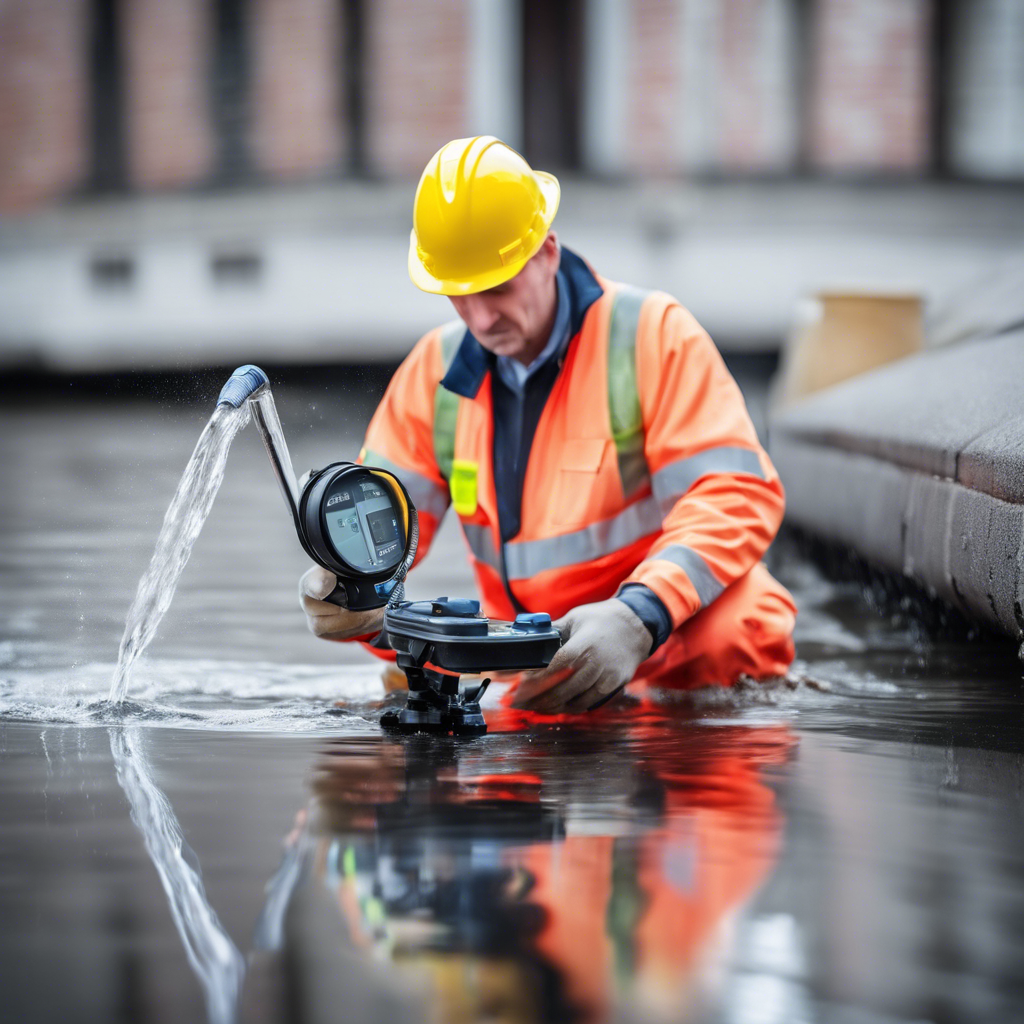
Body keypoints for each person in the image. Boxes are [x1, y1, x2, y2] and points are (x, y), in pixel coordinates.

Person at [300, 136, 797, 713]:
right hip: (530, 657)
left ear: (549, 252)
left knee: (740, 625)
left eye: (497, 288)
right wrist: (352, 591)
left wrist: (639, 615)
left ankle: (694, 749)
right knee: (401, 650)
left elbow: (733, 493)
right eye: (459, 295)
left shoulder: (651, 335)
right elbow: (379, 523)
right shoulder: (433, 374)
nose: (481, 317)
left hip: (662, 645)